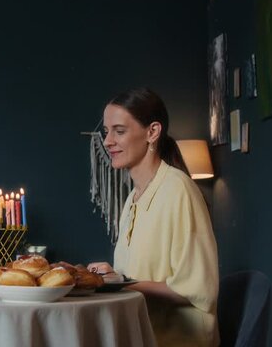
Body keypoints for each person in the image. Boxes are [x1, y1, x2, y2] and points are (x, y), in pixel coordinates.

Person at [88, 88, 219, 346]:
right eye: (106, 131)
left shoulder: (178, 190)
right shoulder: (133, 198)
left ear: (152, 132)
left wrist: (121, 284)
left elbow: (194, 290)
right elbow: (144, 277)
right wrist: (116, 277)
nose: (107, 141)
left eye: (119, 131)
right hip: (141, 335)